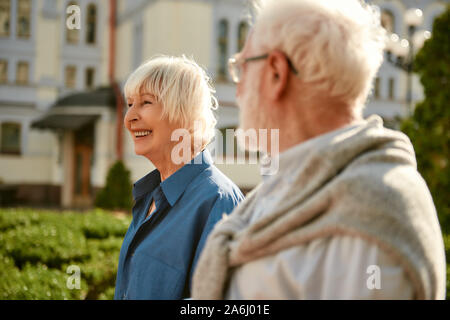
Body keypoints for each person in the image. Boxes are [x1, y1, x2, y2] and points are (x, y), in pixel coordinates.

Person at [192, 0, 446, 299]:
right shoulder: (287, 187)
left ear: (276, 72)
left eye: (242, 67)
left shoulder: (370, 212)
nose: (237, 87)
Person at [114, 55, 244, 299]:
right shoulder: (149, 196)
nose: (129, 117)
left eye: (145, 103)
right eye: (130, 104)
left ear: (183, 113)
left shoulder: (218, 201)